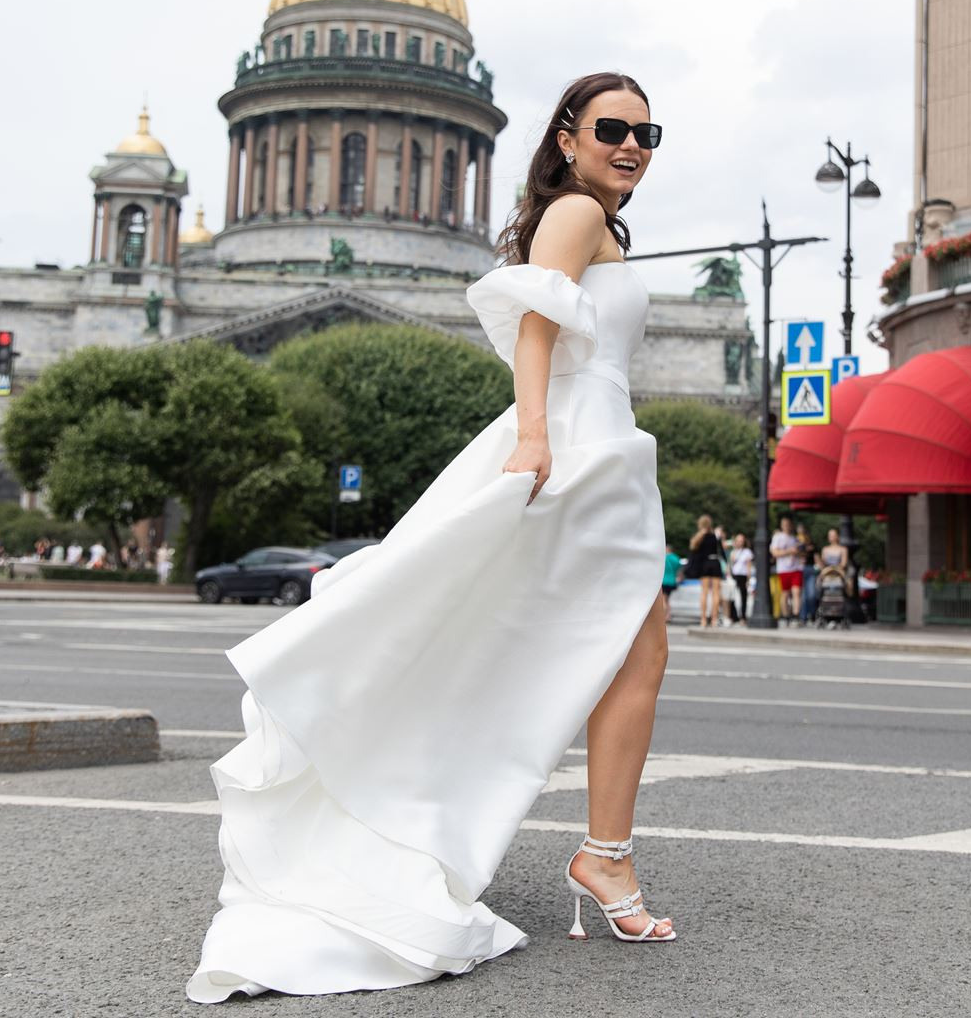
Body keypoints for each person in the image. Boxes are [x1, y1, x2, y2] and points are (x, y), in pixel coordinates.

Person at [187, 72, 676, 1004]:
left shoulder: (599, 226)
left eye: (649, 132)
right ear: (567, 136)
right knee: (630, 653)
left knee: (613, 653)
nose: (633, 145)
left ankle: (600, 852)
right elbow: (535, 331)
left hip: (606, 448)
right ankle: (600, 855)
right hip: (581, 451)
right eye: (613, 127)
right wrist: (534, 436)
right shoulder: (575, 214)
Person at [688, 514, 724, 628]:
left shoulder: (699, 537)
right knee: (716, 593)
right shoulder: (715, 535)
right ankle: (714, 619)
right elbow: (721, 551)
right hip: (715, 563)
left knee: (704, 593)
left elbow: (694, 551)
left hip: (704, 565)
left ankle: (703, 619)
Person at [771, 516, 803, 620]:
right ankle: (785, 615)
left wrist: (799, 551)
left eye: (788, 524)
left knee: (796, 592)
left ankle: (796, 614)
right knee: (785, 593)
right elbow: (774, 552)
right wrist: (789, 551)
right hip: (783, 569)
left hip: (796, 568)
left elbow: (800, 553)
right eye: (784, 524)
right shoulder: (778, 537)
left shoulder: (795, 538)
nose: (787, 526)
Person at [727, 533, 754, 624]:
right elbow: (730, 564)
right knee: (732, 597)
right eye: (738, 541)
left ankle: (743, 616)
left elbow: (749, 566)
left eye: (741, 541)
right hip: (734, 576)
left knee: (743, 597)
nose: (739, 543)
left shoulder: (747, 552)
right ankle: (733, 616)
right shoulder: (733, 552)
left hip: (743, 575)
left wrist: (748, 579)